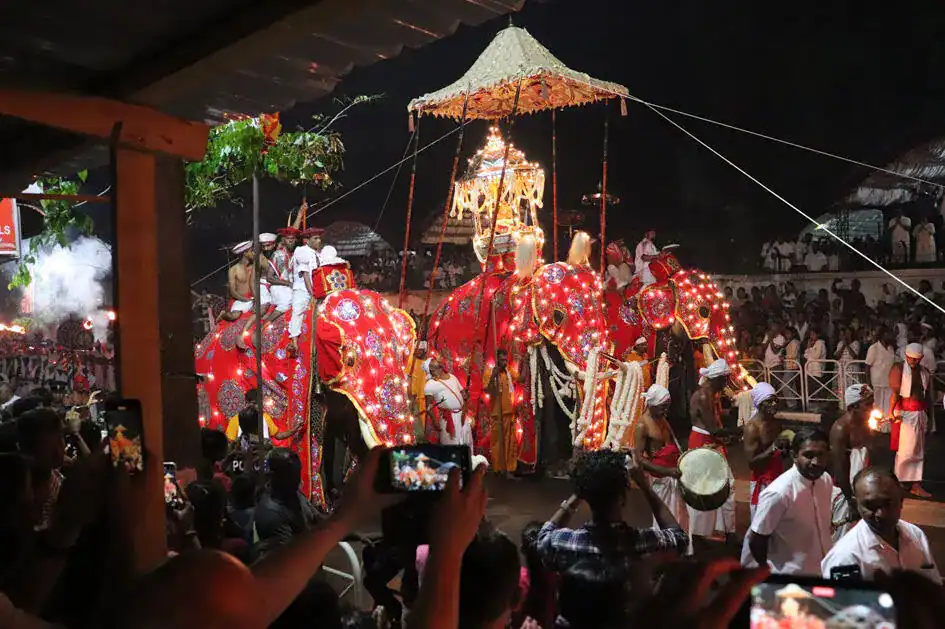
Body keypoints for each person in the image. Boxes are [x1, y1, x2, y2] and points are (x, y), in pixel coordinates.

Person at [536, 450, 688, 575]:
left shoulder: (565, 543)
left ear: (585, 496)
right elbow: (679, 538)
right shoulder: (644, 543)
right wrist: (644, 485)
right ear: (622, 498)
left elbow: (542, 538)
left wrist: (582, 486)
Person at [822, 466, 941, 584]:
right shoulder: (845, 558)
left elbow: (933, 584)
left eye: (888, 503)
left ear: (901, 501)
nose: (881, 513)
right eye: (870, 505)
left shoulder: (916, 535)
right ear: (856, 505)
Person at [742, 427, 834, 575]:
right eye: (809, 455)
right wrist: (767, 570)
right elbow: (757, 539)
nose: (816, 462)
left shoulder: (825, 480)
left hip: (823, 571)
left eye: (821, 455)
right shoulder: (778, 493)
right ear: (794, 456)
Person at [688, 358, 737, 546]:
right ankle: (697, 536)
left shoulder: (711, 394)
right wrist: (741, 429)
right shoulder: (703, 396)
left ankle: (727, 531)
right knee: (704, 489)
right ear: (717, 379)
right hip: (703, 443)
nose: (726, 384)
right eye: (725, 380)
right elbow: (714, 429)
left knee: (724, 486)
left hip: (711, 442)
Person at [632, 384, 688, 531]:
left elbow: (672, 443)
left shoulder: (662, 419)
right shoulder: (642, 425)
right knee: (664, 517)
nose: (665, 411)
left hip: (672, 475)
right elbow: (638, 459)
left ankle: (679, 541)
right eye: (663, 407)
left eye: (667, 407)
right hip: (659, 479)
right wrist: (667, 471)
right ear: (652, 405)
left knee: (679, 515)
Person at [829, 384, 873, 542]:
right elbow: (839, 467)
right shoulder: (841, 429)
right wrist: (850, 499)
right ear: (853, 407)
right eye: (867, 404)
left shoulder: (864, 423)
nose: (872, 408)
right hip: (846, 490)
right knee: (843, 535)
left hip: (863, 485)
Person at [254, 448, 319, 553]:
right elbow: (292, 555)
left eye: (298, 473)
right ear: (273, 476)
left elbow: (317, 518)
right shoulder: (271, 512)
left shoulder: (294, 494)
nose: (298, 480)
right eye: (291, 475)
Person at [889, 343, 931, 498]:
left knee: (918, 451)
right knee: (905, 451)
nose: (913, 361)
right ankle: (900, 483)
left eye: (916, 359)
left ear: (921, 358)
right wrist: (891, 412)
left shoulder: (924, 372)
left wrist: (929, 416)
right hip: (905, 413)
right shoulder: (899, 368)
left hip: (920, 413)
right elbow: (895, 393)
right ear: (906, 356)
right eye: (910, 358)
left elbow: (927, 395)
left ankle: (915, 484)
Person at [742, 383, 789, 520]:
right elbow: (752, 463)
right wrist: (773, 448)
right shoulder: (752, 428)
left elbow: (782, 454)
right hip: (762, 479)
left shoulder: (776, 423)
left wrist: (785, 448)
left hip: (777, 474)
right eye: (769, 401)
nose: (774, 404)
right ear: (760, 404)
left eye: (775, 400)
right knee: (762, 519)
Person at [16, 408, 66, 531]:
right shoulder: (20, 493)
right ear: (27, 449)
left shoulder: (56, 476)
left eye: (60, 439)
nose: (59, 451)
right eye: (48, 446)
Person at [287, 227, 323, 356]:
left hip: (316, 290)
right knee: (298, 312)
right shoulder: (302, 251)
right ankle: (294, 342)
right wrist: (311, 292)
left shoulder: (317, 253)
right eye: (315, 238)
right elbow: (306, 274)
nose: (319, 241)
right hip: (303, 289)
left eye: (319, 238)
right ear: (306, 240)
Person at [483, 349, 518, 477]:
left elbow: (520, 378)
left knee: (509, 442)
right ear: (497, 359)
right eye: (502, 360)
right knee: (497, 442)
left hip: (508, 412)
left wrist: (526, 361)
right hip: (496, 413)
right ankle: (498, 468)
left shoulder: (509, 371)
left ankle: (509, 469)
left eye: (505, 360)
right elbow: (487, 390)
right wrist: (493, 375)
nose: (504, 362)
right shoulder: (490, 372)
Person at [423, 357, 471, 447]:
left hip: (462, 415)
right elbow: (428, 406)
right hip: (448, 418)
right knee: (452, 446)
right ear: (431, 368)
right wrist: (434, 421)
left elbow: (462, 393)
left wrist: (465, 395)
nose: (436, 359)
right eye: (433, 361)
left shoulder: (452, 377)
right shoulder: (430, 384)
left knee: (467, 443)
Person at [225, 389, 298, 445]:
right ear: (246, 403)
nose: (255, 406)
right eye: (253, 403)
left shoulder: (265, 417)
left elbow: (278, 435)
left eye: (257, 403)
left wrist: (292, 431)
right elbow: (230, 442)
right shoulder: (236, 419)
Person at [263, 227, 299, 322]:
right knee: (287, 303)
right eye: (288, 238)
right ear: (283, 240)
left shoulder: (295, 254)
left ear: (295, 240)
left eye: (292, 238)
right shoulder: (277, 254)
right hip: (278, 287)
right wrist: (288, 283)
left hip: (291, 287)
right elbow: (269, 278)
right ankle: (264, 325)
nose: (290, 241)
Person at [866, 327, 897, 416]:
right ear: (883, 335)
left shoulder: (891, 348)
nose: (891, 336)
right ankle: (877, 424)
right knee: (877, 407)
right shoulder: (874, 348)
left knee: (888, 406)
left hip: (888, 383)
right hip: (877, 383)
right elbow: (867, 366)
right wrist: (868, 383)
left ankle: (886, 424)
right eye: (889, 334)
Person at [223, 241, 256, 322]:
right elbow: (233, 292)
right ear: (245, 253)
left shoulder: (255, 266)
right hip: (241, 300)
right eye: (251, 251)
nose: (254, 253)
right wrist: (246, 300)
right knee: (234, 316)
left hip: (256, 298)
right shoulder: (233, 270)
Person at [409, 341, 428, 441]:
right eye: (417, 350)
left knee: (424, 421)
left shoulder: (428, 363)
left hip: (425, 396)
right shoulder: (412, 362)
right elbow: (409, 377)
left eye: (421, 350)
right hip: (414, 396)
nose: (419, 352)